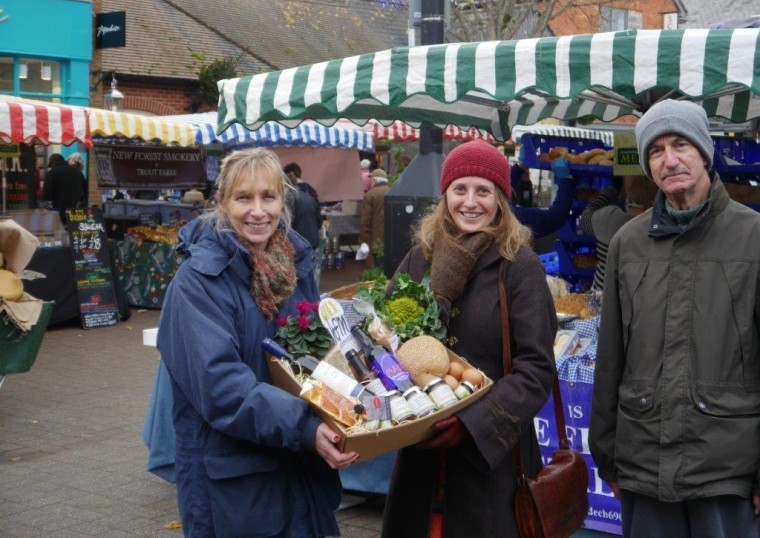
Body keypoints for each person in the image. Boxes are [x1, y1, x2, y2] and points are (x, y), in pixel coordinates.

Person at [156, 148, 358, 537]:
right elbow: (221, 387)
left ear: (284, 201)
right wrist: (305, 427)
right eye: (243, 198)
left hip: (297, 470)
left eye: (268, 197)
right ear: (222, 202)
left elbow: (312, 354)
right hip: (234, 481)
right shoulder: (199, 281)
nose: (258, 211)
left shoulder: (293, 266)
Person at [589, 99, 760, 538]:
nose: (670, 160)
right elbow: (611, 355)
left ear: (704, 152)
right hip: (644, 460)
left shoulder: (753, 237)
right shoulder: (629, 242)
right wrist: (607, 453)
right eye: (656, 151)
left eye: (680, 144)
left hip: (726, 467)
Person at [382, 139, 558, 537]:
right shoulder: (419, 257)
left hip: (489, 462)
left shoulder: (519, 266)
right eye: (460, 189)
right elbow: (385, 340)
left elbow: (536, 370)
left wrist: (471, 422)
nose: (471, 202)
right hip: (420, 455)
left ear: (500, 199)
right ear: (445, 196)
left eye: (484, 191)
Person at [580, 175, 658, 291]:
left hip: (602, 298)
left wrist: (609, 192)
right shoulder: (661, 224)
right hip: (642, 300)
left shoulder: (608, 218)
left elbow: (585, 218)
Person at [511, 157, 575, 239]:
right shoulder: (512, 218)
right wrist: (566, 179)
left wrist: (520, 166)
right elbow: (554, 218)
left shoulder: (501, 210)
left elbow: (501, 185)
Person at [41, 152, 86, 223]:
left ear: (53, 163)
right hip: (77, 214)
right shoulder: (78, 173)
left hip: (58, 215)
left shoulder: (50, 174)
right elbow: (84, 193)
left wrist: (45, 215)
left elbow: (46, 197)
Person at [358, 168, 390, 267]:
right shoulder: (393, 191)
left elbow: (365, 222)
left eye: (370, 180)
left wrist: (365, 243)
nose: (369, 182)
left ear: (375, 180)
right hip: (391, 239)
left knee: (377, 269)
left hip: (376, 241)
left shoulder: (370, 194)